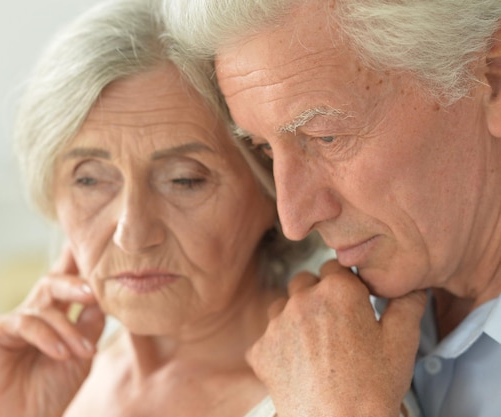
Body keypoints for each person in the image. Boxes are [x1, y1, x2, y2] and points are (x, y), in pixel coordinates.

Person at [0, 0, 319, 416]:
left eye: (184, 180)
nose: (131, 234)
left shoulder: (331, 391)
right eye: (90, 179)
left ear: (273, 191)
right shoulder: (48, 379)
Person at [162, 1, 501, 416]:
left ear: (493, 78)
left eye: (326, 137)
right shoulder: (309, 339)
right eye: (266, 148)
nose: (293, 219)